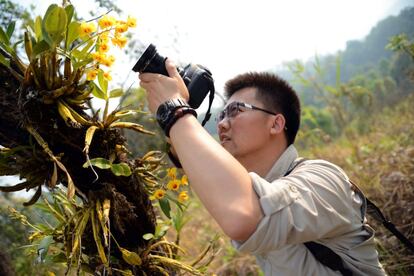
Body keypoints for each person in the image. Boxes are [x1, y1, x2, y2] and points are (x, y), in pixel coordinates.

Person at [138, 59, 386, 275]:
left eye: (235, 110)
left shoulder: (322, 178)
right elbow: (216, 178)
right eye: (221, 115)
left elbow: (245, 216)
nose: (223, 124)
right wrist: (174, 116)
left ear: (276, 124)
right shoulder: (256, 187)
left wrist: (175, 110)